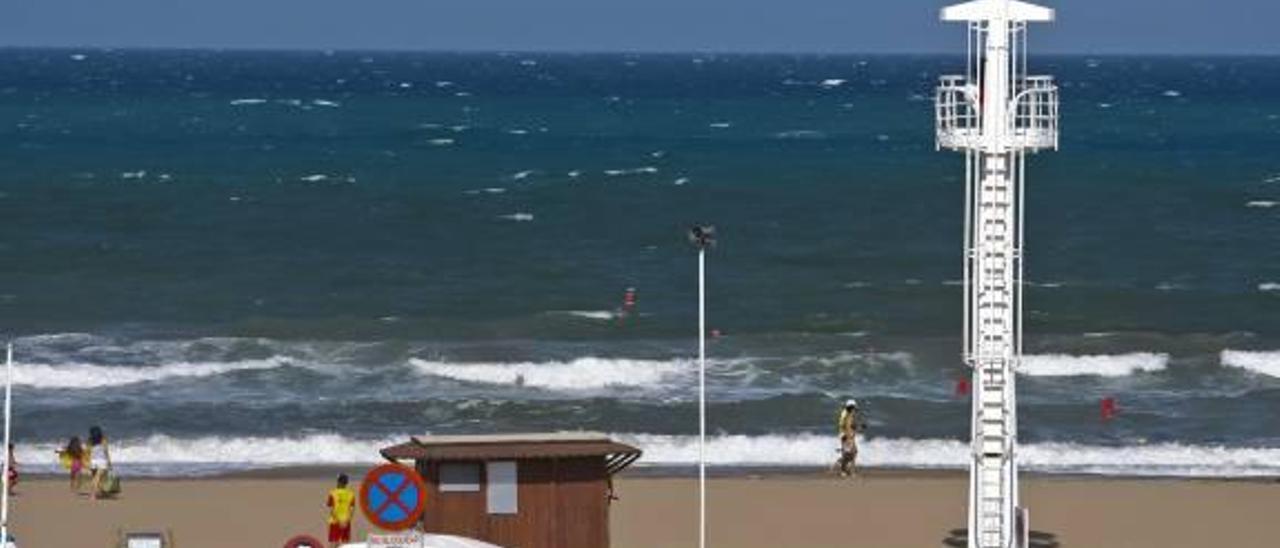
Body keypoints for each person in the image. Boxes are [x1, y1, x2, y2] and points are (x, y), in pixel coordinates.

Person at [326, 473, 356, 547]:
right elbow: (352, 510)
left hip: (335, 522)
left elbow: (331, 510)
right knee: (346, 544)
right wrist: (346, 521)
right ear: (346, 483)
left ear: (338, 481)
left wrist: (339, 522)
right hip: (346, 522)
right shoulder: (351, 494)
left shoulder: (332, 493)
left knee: (333, 543)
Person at [836, 399, 862, 478]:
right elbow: (843, 425)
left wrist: (859, 427)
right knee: (848, 454)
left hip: (849, 435)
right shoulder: (845, 414)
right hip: (846, 436)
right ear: (851, 407)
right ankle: (844, 471)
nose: (855, 409)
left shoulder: (849, 414)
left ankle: (849, 470)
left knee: (853, 452)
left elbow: (852, 425)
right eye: (854, 408)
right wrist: (845, 435)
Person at [87, 426, 111, 500]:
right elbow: (106, 451)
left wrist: (88, 461)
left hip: (93, 461)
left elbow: (89, 452)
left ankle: (99, 492)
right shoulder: (103, 440)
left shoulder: (90, 441)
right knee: (97, 478)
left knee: (95, 478)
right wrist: (109, 461)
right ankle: (93, 495)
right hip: (101, 461)